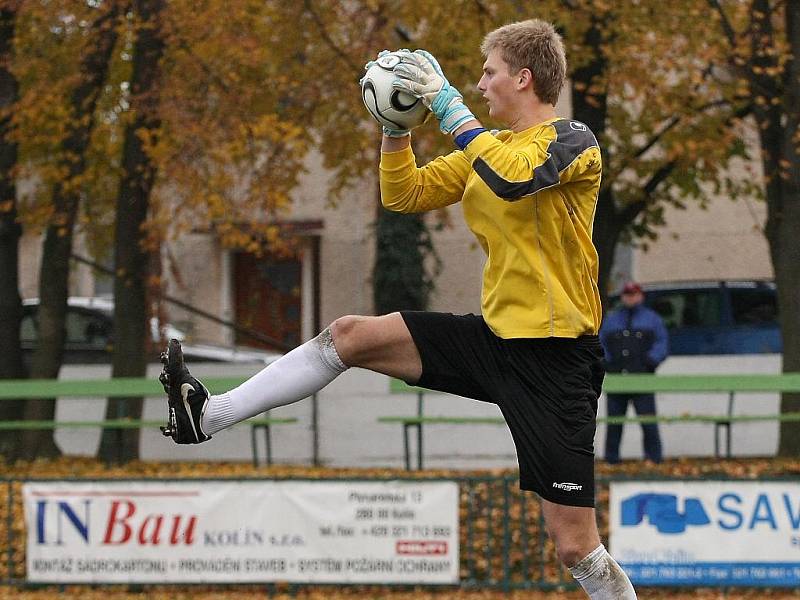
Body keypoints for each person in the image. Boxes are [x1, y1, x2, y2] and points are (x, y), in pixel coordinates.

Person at [158, 19, 636, 599]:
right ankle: (208, 416)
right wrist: (395, 129)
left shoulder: (574, 140)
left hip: (557, 362)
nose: (480, 83)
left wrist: (445, 103)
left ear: (523, 77)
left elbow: (515, 181)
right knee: (351, 334)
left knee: (575, 548)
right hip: (495, 340)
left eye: (489, 72)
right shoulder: (490, 148)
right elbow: (403, 194)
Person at [599, 281, 669, 464]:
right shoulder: (612, 320)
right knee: (614, 423)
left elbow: (662, 343)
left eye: (634, 294)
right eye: (627, 295)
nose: (630, 298)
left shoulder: (652, 319)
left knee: (648, 421)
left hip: (642, 378)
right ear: (622, 297)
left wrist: (650, 362)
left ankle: (654, 458)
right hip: (617, 378)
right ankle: (611, 460)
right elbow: (600, 344)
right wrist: (606, 362)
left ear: (641, 296)